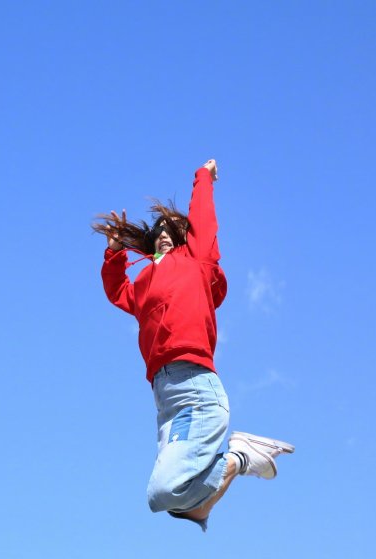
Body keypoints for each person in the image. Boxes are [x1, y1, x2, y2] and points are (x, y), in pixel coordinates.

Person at [94, 159, 292, 530]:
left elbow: (202, 222)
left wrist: (203, 178)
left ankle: (240, 458)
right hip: (166, 403)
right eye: (159, 233)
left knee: (162, 494)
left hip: (195, 390)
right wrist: (115, 252)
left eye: (172, 231)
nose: (164, 235)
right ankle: (211, 497)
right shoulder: (144, 283)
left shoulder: (196, 262)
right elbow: (116, 290)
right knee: (184, 505)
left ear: (185, 239)